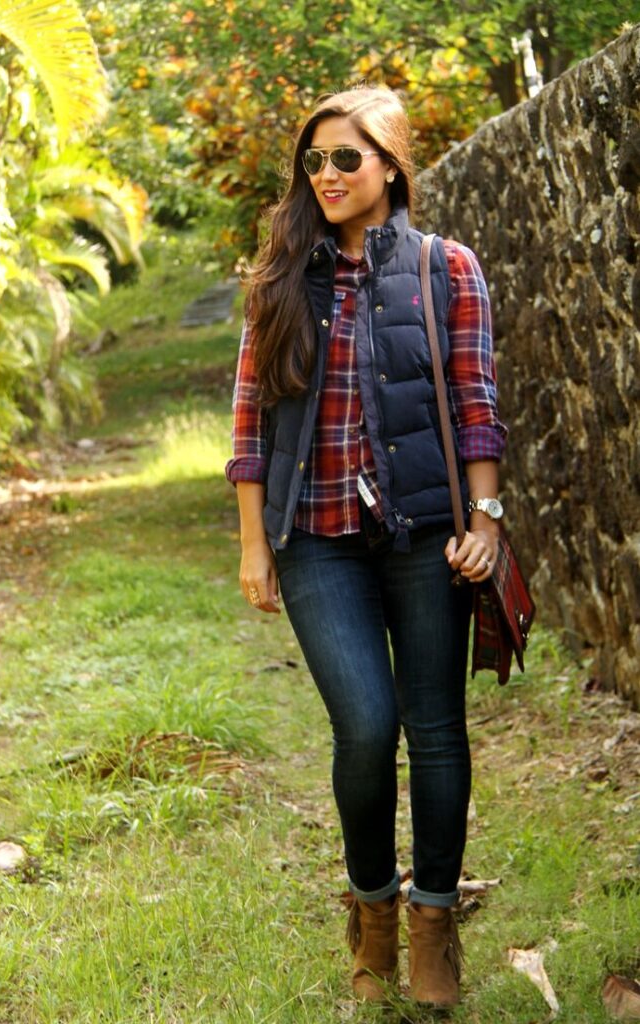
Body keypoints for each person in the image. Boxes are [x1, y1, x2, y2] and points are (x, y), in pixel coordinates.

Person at [225, 86, 507, 1009]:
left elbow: (475, 406)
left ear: (389, 163)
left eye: (346, 158)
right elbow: (250, 423)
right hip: (315, 542)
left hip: (427, 534)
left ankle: (433, 927)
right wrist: (254, 547)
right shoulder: (278, 281)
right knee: (365, 725)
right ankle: (370, 910)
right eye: (315, 161)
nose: (328, 176)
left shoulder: (445, 267)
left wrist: (485, 521)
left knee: (434, 730)